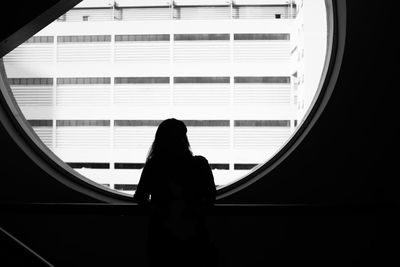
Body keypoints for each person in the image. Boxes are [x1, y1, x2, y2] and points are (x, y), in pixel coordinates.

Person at [133, 118, 217, 267]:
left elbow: (140, 196)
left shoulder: (154, 165)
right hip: (194, 234)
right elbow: (210, 196)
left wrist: (160, 211)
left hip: (161, 236)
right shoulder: (199, 164)